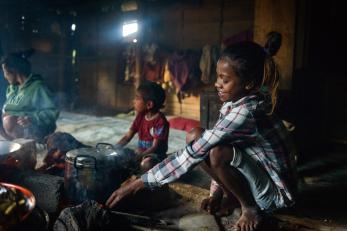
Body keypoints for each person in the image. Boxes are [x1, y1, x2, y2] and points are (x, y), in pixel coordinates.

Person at [106, 39, 297, 231]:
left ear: (249, 83)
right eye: (218, 77)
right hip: (259, 177)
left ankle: (250, 208)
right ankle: (232, 197)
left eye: (225, 79)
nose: (217, 84)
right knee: (196, 135)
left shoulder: (246, 112)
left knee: (216, 152)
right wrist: (216, 193)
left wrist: (139, 183)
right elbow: (206, 143)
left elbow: (196, 154)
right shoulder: (236, 103)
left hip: (276, 195)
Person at [0, 50, 59, 142]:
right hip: (16, 131)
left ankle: (33, 144)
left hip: (35, 129)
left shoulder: (37, 87)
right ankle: (15, 142)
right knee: (7, 119)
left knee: (9, 120)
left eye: (5, 72)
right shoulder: (12, 89)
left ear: (14, 71)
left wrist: (32, 118)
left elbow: (52, 112)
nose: (5, 76)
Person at [116, 81, 169, 172]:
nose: (134, 101)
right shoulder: (140, 116)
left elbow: (154, 147)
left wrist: (139, 156)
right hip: (140, 153)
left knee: (147, 164)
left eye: (137, 98)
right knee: (120, 155)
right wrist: (115, 148)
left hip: (154, 155)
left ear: (149, 104)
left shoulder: (160, 122)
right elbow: (127, 136)